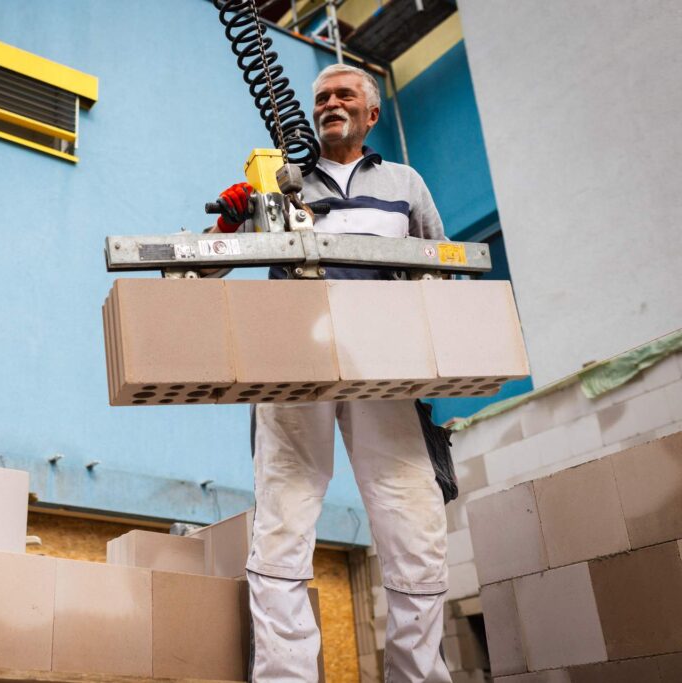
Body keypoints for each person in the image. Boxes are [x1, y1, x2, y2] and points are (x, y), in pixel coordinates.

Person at [211, 64, 452, 683]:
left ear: (371, 115)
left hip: (384, 367)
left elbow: (441, 269)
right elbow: (207, 270)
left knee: (414, 527)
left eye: (345, 95)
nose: (330, 104)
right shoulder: (281, 182)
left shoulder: (404, 182)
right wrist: (232, 222)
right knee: (283, 524)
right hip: (295, 365)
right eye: (321, 98)